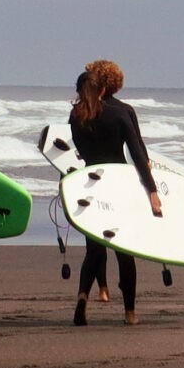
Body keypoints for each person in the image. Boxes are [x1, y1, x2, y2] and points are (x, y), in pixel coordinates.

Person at [67, 59, 159, 326]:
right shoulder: (121, 113)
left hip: (90, 182)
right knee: (123, 250)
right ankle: (130, 312)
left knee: (94, 250)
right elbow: (138, 155)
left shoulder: (76, 115)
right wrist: (152, 189)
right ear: (107, 88)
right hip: (118, 184)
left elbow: (81, 152)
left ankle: (83, 296)